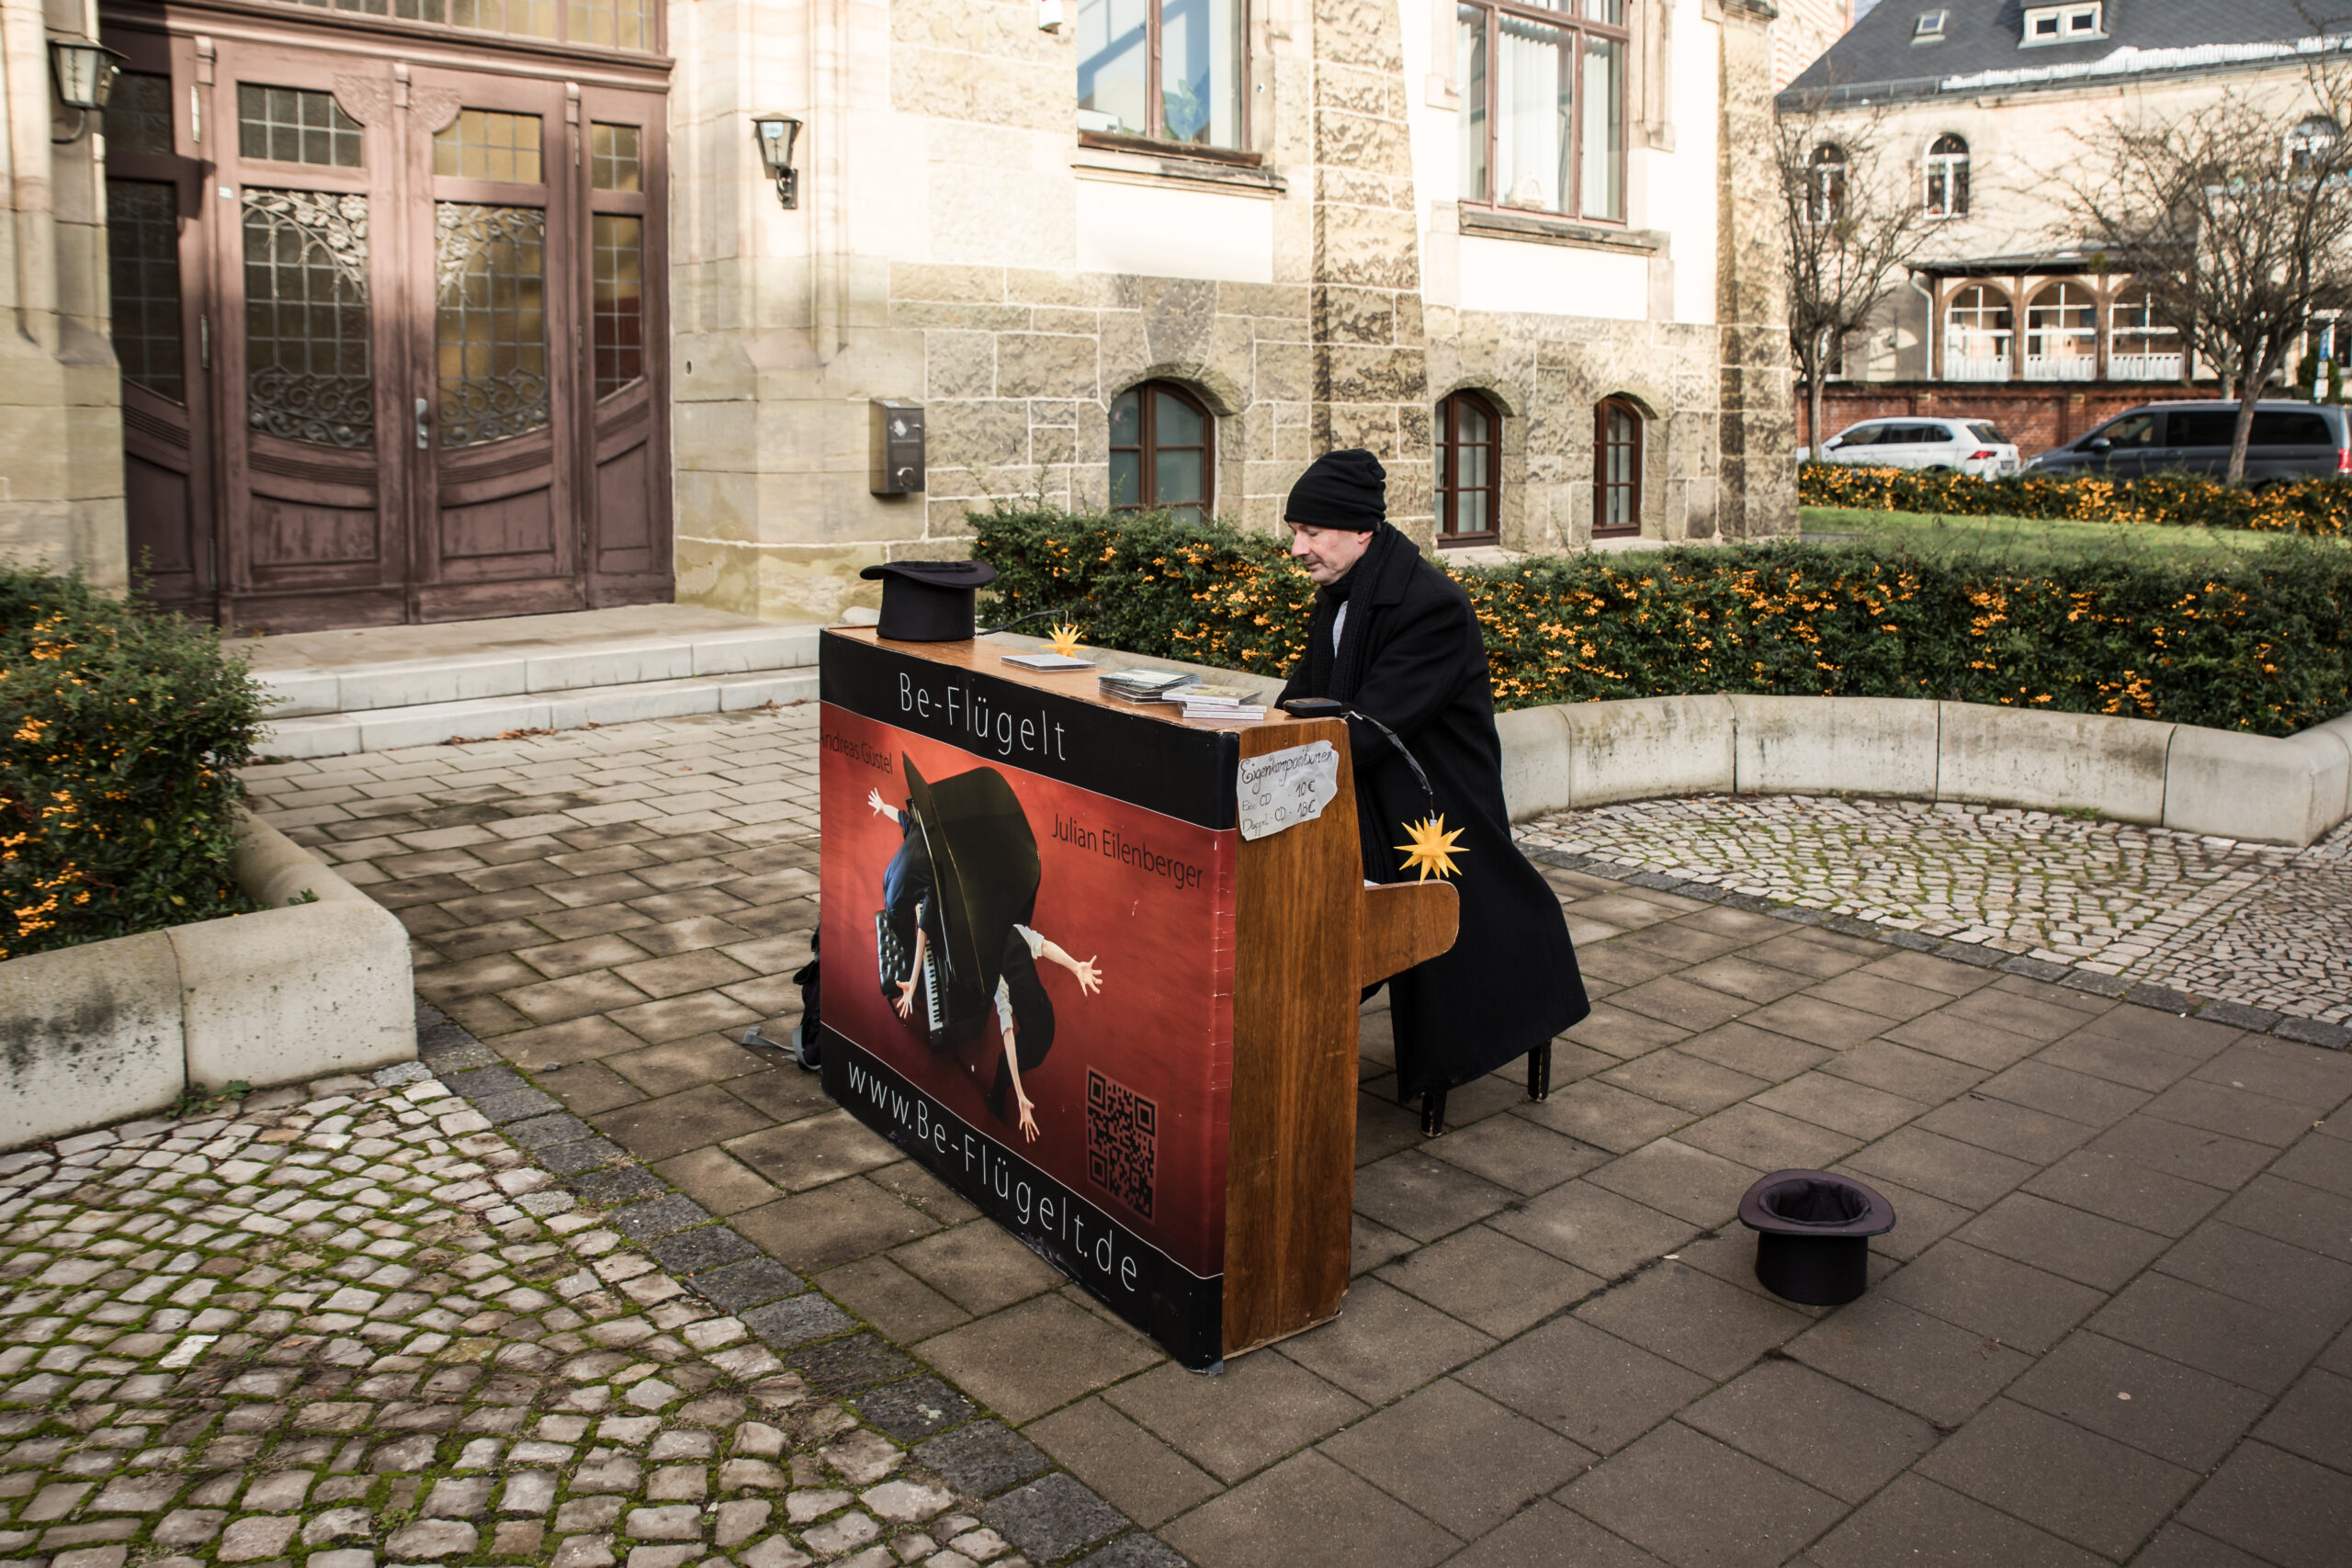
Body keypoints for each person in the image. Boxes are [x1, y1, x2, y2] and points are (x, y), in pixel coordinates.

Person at [1277, 447, 1589, 1134]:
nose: (1295, 548)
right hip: (1374, 789)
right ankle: (1283, 1032)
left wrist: (1273, 756)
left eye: (1310, 532)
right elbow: (1302, 701)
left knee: (1326, 908)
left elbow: (1365, 728)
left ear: (1361, 530)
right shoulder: (1343, 590)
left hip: (1437, 806)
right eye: (1294, 530)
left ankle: (1296, 1025)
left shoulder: (1433, 606)